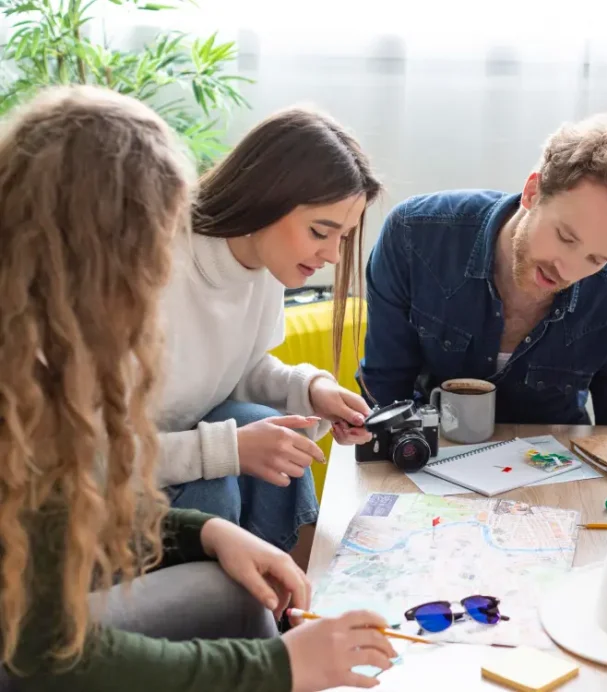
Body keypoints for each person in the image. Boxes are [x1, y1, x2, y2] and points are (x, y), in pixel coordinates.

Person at [0, 86, 396, 692]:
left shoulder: (49, 355)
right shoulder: (36, 379)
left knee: (234, 576)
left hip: (73, 569)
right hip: (34, 641)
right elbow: (48, 651)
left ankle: (290, 601)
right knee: (232, 562)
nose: (163, 269)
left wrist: (202, 531)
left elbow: (68, 504)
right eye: (155, 248)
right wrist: (277, 668)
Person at [155, 106, 379, 566]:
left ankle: (298, 599)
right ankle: (241, 623)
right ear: (266, 198)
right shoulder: (158, 273)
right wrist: (228, 450)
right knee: (220, 474)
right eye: (321, 231)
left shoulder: (265, 266)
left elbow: (241, 367)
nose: (334, 256)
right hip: (117, 487)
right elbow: (90, 459)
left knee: (266, 425)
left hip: (179, 454)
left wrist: (310, 390)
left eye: (344, 237)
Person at [360, 114, 607, 425]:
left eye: (596, 259)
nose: (567, 270)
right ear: (532, 192)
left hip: (557, 465)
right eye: (565, 237)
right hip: (431, 451)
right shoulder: (414, 237)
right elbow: (384, 393)